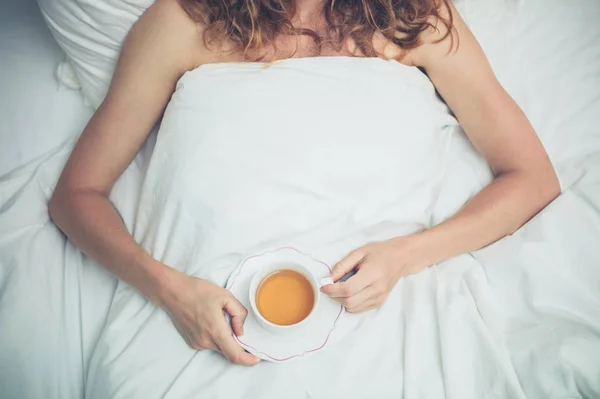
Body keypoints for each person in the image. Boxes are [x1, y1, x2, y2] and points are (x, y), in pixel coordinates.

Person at [48, 0, 560, 367]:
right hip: (209, 324)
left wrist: (408, 254)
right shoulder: (181, 21)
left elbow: (530, 176)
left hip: (385, 314)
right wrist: (170, 291)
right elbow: (76, 196)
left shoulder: (417, 20)